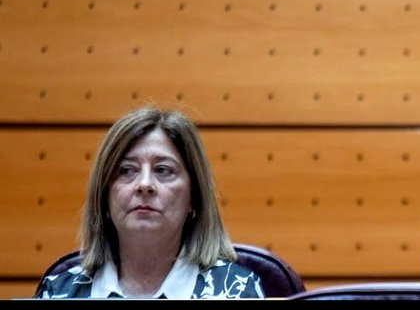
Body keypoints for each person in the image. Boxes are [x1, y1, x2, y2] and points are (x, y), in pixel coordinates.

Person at [35, 106, 264, 299]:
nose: (144, 184)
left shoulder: (238, 291)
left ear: (194, 197)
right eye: (126, 171)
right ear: (104, 196)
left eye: (163, 170)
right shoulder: (58, 292)